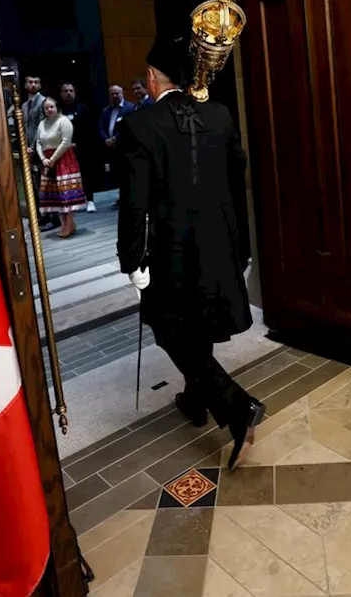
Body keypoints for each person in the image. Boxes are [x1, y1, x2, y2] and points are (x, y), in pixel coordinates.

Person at [116, 35, 263, 468]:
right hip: (218, 243)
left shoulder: (139, 126)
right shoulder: (219, 115)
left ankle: (238, 407)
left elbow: (135, 203)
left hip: (170, 253)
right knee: (195, 323)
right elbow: (238, 174)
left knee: (171, 329)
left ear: (151, 77)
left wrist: (133, 259)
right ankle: (196, 401)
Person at [36, 97, 86, 237]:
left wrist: (52, 159)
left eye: (51, 107)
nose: (49, 110)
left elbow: (66, 142)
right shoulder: (42, 123)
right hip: (48, 162)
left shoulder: (64, 121)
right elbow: (38, 142)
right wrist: (43, 158)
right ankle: (66, 224)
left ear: (57, 107)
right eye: (46, 108)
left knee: (66, 195)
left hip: (63, 159)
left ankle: (69, 224)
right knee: (56, 196)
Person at [20, 74, 57, 231]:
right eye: (30, 82)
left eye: (36, 82)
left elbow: (42, 127)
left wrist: (33, 148)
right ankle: (43, 216)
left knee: (47, 184)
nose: (33, 84)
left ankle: (54, 218)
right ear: (25, 85)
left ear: (40, 85)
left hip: (43, 150)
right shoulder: (23, 105)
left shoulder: (44, 102)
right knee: (37, 186)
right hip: (30, 151)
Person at [59, 82, 98, 212]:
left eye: (71, 91)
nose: (68, 93)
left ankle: (90, 200)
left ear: (75, 93)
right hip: (64, 149)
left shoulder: (83, 108)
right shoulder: (58, 111)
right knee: (67, 176)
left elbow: (89, 129)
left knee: (86, 174)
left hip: (82, 147)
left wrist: (77, 143)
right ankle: (74, 201)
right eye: (65, 91)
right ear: (61, 94)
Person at [99, 84, 136, 199]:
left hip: (125, 147)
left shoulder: (130, 108)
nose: (114, 96)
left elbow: (131, 127)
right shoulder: (106, 110)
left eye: (117, 93)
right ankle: (122, 196)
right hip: (111, 149)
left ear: (122, 94)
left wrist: (116, 138)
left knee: (128, 173)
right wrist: (106, 139)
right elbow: (100, 127)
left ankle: (131, 196)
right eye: (112, 94)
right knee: (117, 174)